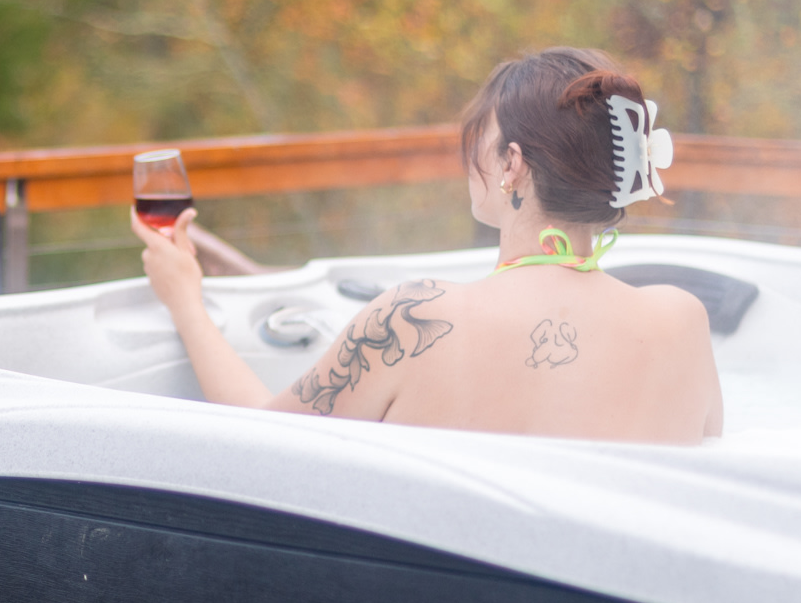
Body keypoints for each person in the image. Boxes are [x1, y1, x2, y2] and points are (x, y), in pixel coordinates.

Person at [129, 48, 724, 443]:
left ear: (512, 164)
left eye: (481, 140)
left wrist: (185, 299)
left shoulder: (413, 319)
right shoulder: (681, 322)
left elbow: (261, 441)